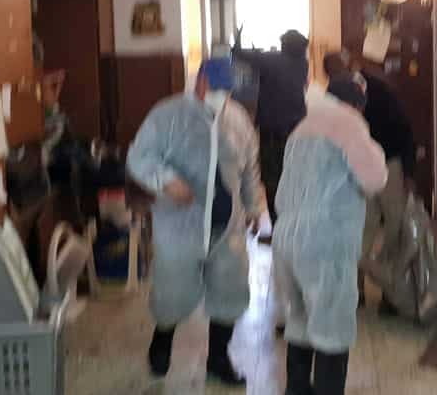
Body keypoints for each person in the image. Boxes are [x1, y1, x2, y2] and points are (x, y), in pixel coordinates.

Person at [126, 56, 266, 386]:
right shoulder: (168, 114)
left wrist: (254, 207)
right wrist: (167, 181)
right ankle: (161, 343)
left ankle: (218, 358)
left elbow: (249, 168)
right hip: (180, 224)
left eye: (226, 91)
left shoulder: (238, 119)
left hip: (227, 226)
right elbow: (139, 157)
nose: (221, 96)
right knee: (172, 290)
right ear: (200, 81)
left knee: (230, 291)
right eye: (216, 88)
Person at [273, 78, 387, 395]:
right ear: (354, 105)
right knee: (332, 327)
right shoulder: (347, 123)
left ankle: (297, 390)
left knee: (299, 321)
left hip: (287, 236)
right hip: (324, 239)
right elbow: (374, 178)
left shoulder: (301, 128)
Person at [323, 51, 416, 313]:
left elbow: (404, 130)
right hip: (358, 167)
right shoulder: (336, 95)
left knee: (394, 228)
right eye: (333, 75)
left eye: (340, 72)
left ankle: (390, 292)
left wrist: (409, 173)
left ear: (351, 67)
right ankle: (356, 290)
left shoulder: (379, 91)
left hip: (389, 164)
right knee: (360, 228)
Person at [233, 29, 310, 243]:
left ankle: (278, 232)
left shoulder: (274, 61)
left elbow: (240, 54)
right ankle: (296, 230)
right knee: (296, 179)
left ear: (284, 45)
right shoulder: (302, 64)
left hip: (272, 132)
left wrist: (237, 39)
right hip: (297, 131)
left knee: (272, 180)